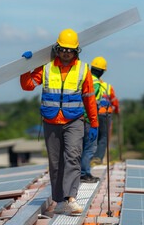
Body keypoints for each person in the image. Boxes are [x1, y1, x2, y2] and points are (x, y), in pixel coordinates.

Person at [20, 29, 99, 214]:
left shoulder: (83, 69)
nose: (66, 52)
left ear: (76, 51)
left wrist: (93, 123)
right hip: (51, 121)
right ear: (57, 49)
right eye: (62, 49)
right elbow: (27, 85)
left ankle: (71, 198)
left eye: (69, 50)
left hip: (75, 121)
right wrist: (26, 66)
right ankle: (59, 201)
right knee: (56, 163)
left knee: (73, 157)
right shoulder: (47, 67)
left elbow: (89, 98)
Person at [89, 57, 119, 166]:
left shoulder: (88, 81)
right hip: (105, 114)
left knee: (93, 136)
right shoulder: (107, 86)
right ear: (102, 72)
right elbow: (115, 101)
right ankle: (97, 159)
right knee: (103, 137)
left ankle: (89, 157)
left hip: (93, 113)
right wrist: (117, 110)